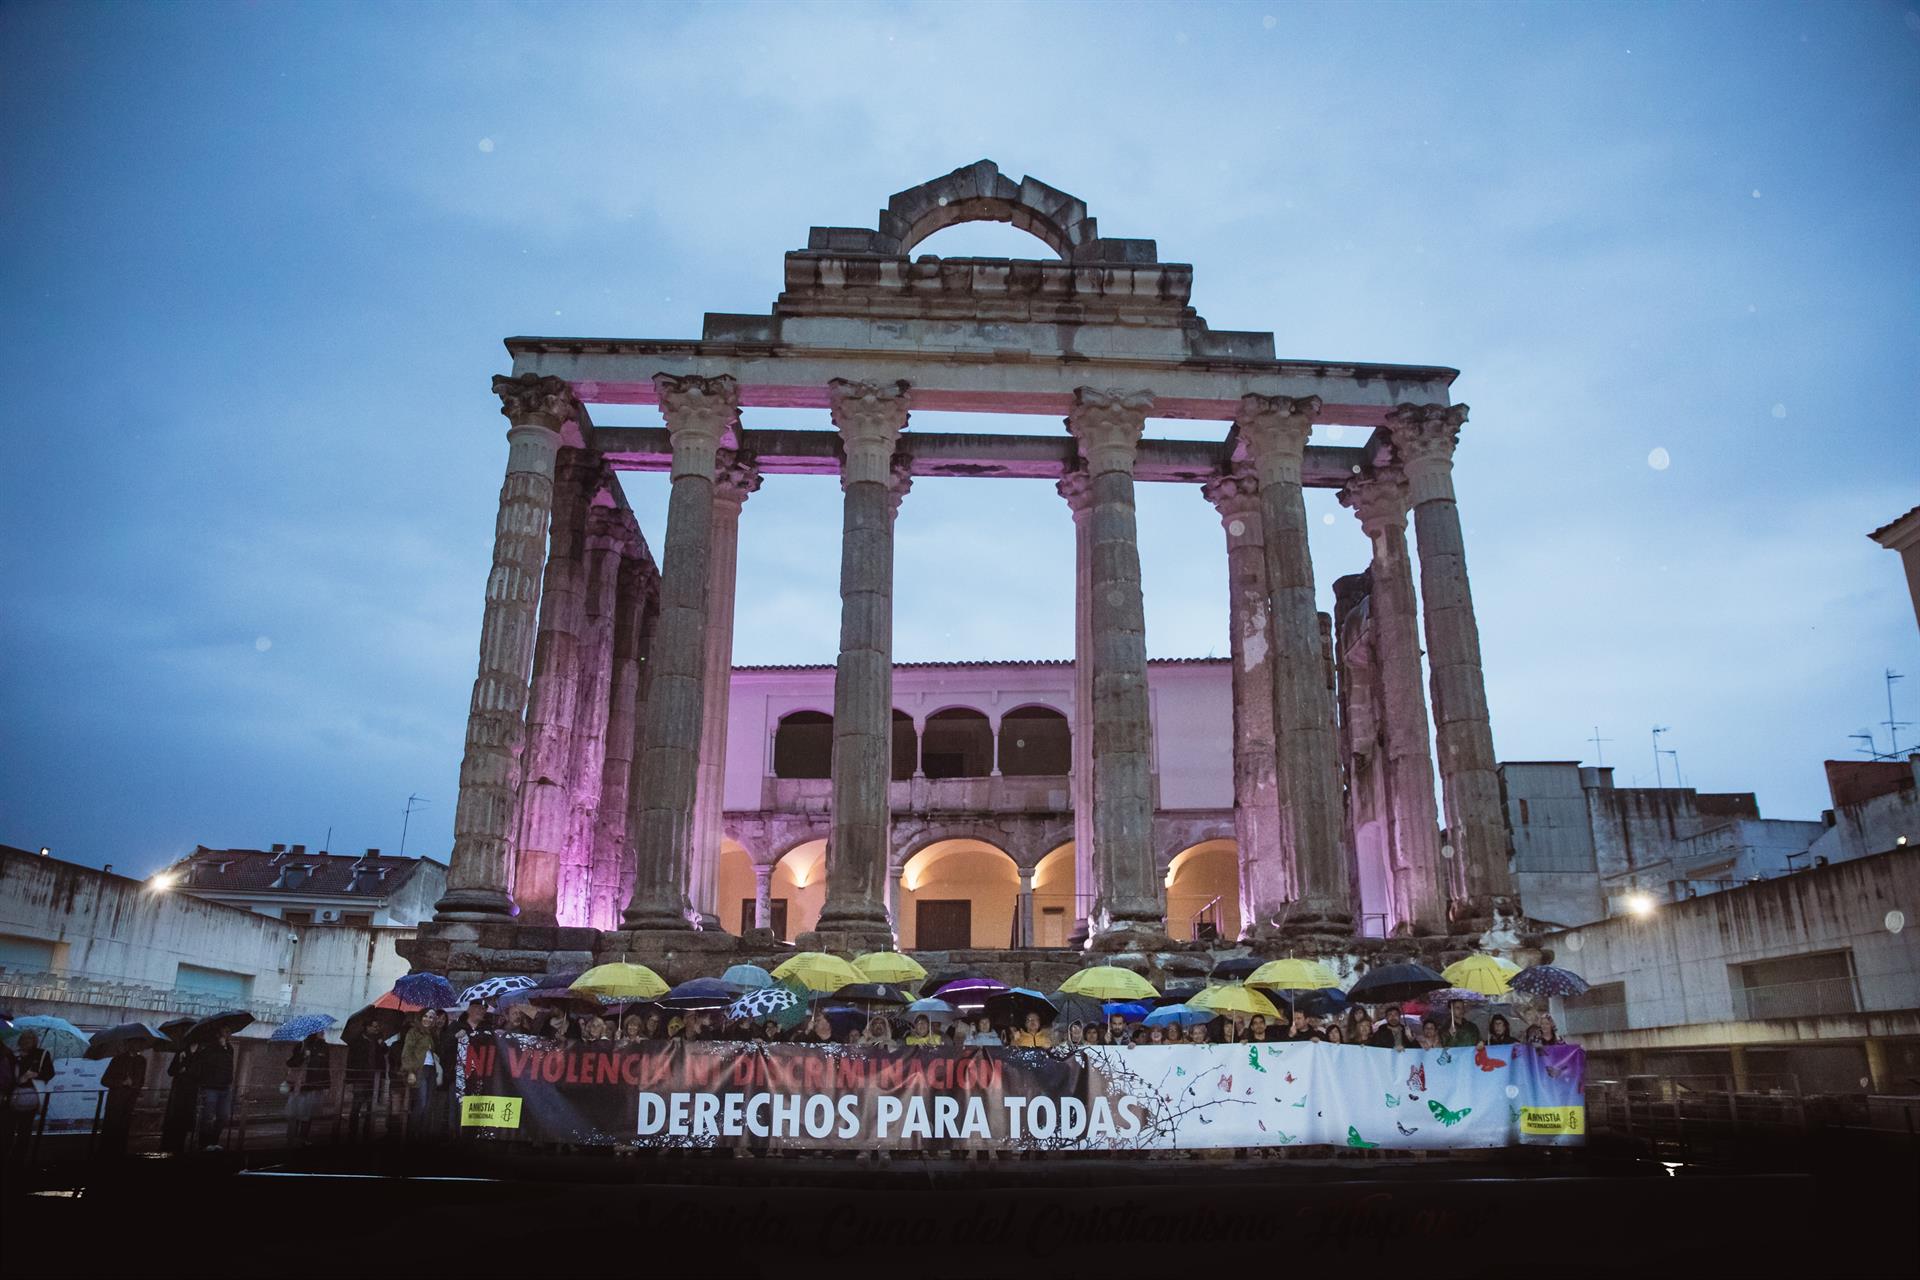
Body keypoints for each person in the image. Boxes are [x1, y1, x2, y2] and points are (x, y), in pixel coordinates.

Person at [189, 1028, 236, 1151]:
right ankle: (204, 1143)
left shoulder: (230, 1049)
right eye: (226, 1032)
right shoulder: (210, 1048)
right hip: (210, 1087)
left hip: (225, 1087)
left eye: (229, 1033)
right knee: (208, 1117)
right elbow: (209, 1062)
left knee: (223, 1116)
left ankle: (214, 1141)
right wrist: (219, 1047)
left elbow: (228, 1065)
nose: (229, 1035)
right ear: (219, 1034)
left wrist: (224, 1047)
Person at [402, 1010, 445, 1141]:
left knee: (429, 1105)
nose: (428, 1019)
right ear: (420, 1017)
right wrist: (410, 1071)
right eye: (425, 1016)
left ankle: (423, 1135)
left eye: (431, 1017)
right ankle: (411, 1135)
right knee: (422, 1103)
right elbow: (407, 1052)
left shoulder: (432, 1034)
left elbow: (436, 1052)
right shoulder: (413, 1032)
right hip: (419, 1069)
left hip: (431, 1070)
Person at [99, 1046, 147, 1158]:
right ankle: (105, 1153)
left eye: (140, 1042)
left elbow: (141, 1080)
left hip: (129, 1101)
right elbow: (105, 1080)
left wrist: (134, 1086)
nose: (138, 1044)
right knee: (111, 1128)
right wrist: (122, 1082)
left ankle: (119, 1153)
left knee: (123, 1129)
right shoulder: (118, 1059)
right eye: (135, 1042)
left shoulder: (141, 1061)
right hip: (115, 1101)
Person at [284, 1031, 331, 1146]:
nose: (323, 1032)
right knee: (295, 1111)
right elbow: (291, 1063)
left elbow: (326, 1066)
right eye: (320, 1030)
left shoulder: (324, 1047)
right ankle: (291, 1136)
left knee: (308, 1113)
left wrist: (327, 1084)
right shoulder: (302, 1045)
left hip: (314, 1084)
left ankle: (303, 1137)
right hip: (299, 1085)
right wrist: (303, 1056)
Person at [344, 1020, 386, 1143]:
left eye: (378, 1026)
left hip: (375, 1078)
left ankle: (367, 1131)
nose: (377, 1029)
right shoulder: (357, 1041)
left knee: (371, 1105)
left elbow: (385, 1053)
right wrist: (350, 1076)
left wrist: (381, 1044)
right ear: (367, 1027)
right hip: (360, 1077)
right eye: (374, 1026)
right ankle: (353, 1131)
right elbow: (351, 1059)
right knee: (356, 1104)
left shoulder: (378, 1041)